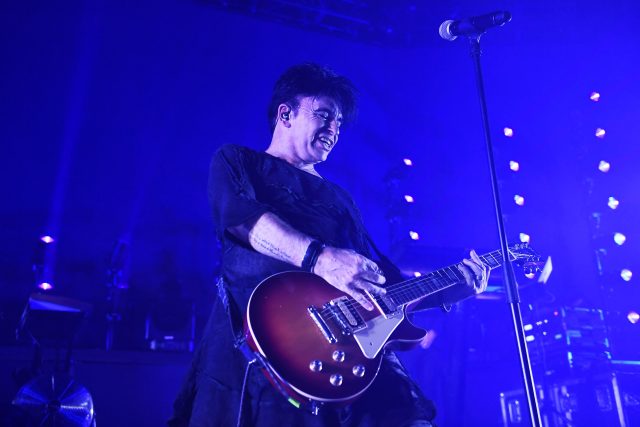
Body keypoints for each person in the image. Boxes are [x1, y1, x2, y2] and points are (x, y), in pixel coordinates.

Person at [169, 63, 488, 427]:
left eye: (339, 123)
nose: (334, 130)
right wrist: (319, 258)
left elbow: (381, 286)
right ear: (285, 114)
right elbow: (242, 220)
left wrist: (447, 290)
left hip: (348, 357)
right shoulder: (238, 161)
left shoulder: (339, 198)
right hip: (262, 354)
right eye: (324, 115)